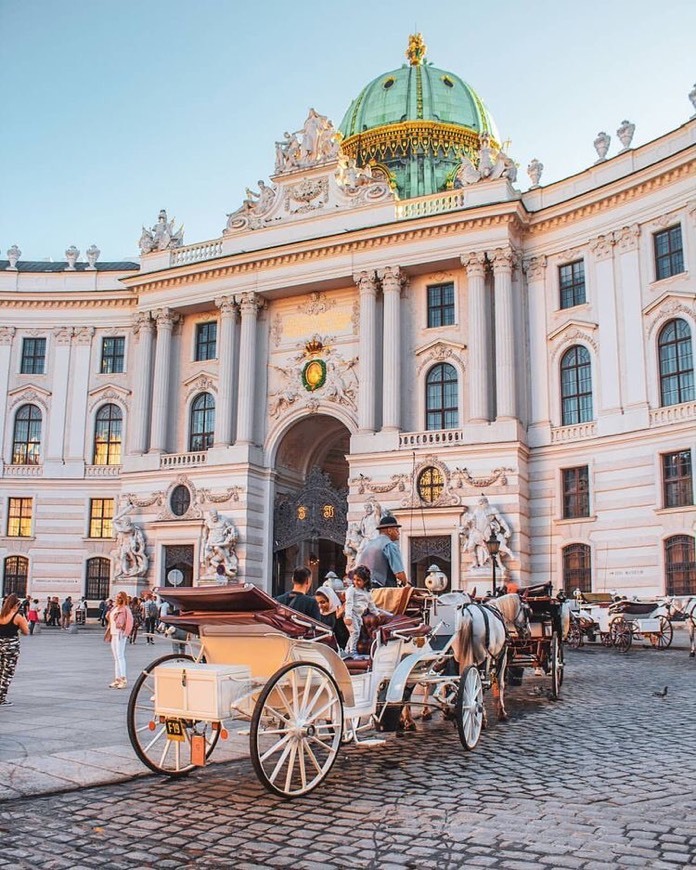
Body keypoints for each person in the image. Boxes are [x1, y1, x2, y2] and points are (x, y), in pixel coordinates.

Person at [343, 566, 389, 657]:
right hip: (351, 613)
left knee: (354, 633)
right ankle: (352, 651)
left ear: (366, 581)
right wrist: (348, 617)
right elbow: (348, 603)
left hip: (358, 615)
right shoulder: (351, 590)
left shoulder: (366, 593)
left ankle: (347, 650)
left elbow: (371, 605)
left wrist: (377, 614)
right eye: (354, 579)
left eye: (359, 580)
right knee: (355, 632)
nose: (356, 582)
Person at [359, 516, 410, 588]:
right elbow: (399, 573)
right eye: (396, 530)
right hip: (382, 588)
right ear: (389, 531)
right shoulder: (390, 545)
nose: (398, 533)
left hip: (365, 587)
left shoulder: (369, 544)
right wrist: (407, 585)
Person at [0, 593, 30, 706]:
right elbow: (26, 632)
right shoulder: (17, 616)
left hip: (0, 644)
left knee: (0, 670)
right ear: (16, 605)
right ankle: (1, 697)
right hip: (11, 647)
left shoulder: (1, 615)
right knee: (7, 672)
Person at [107, 591, 133, 689]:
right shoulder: (114, 608)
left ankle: (123, 678)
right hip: (113, 633)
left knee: (120, 656)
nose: (118, 599)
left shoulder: (126, 609)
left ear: (124, 598)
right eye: (117, 597)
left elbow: (130, 622)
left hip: (120, 633)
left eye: (120, 597)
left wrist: (126, 633)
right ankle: (117, 678)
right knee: (115, 657)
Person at [315, 585, 349, 649]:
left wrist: (338, 619)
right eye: (318, 603)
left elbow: (343, 638)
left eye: (323, 602)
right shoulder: (318, 614)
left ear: (330, 600)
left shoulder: (340, 613)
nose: (320, 606)